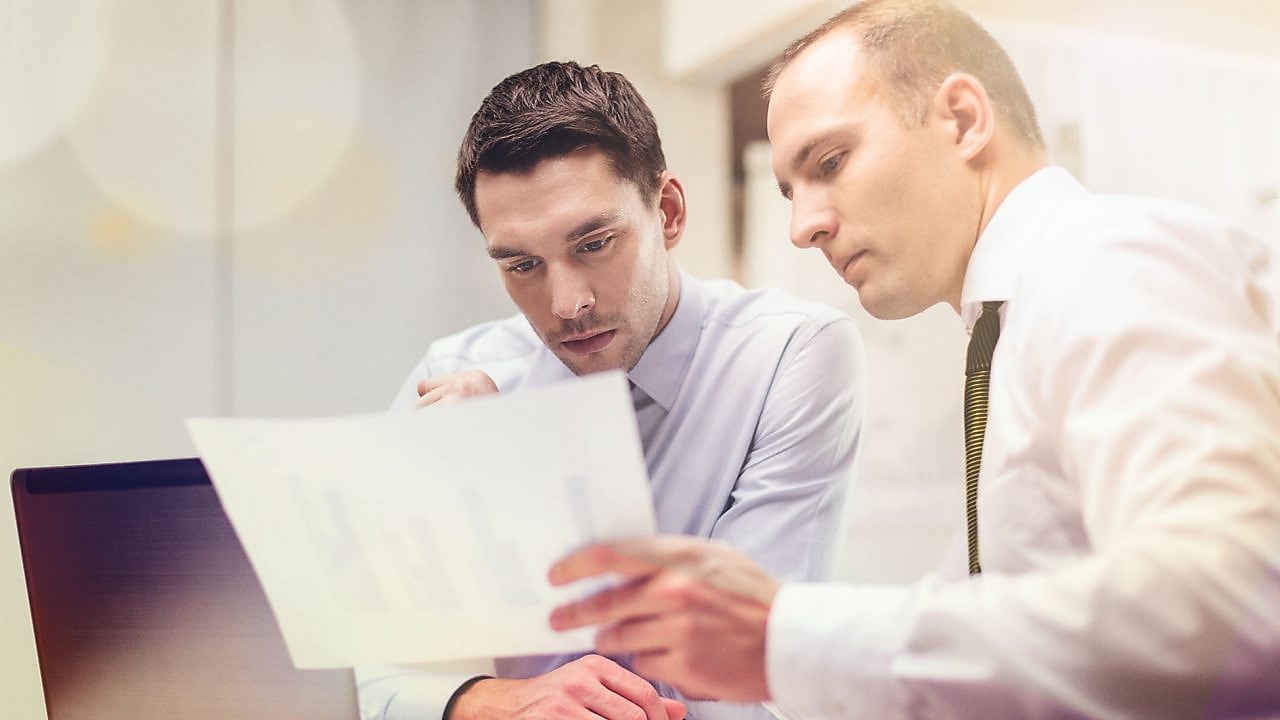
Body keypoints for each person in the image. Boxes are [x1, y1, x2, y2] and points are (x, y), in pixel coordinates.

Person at [548, 2, 1280, 718]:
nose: (804, 226)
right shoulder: (1006, 325)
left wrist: (783, 635)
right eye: (790, 190)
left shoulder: (1112, 259)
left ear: (962, 119)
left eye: (829, 162)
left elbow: (1231, 610)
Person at [356, 61, 867, 720]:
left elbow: (750, 682)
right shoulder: (452, 370)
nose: (567, 304)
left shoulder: (789, 356)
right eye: (522, 265)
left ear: (670, 212)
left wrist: (524, 474)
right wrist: (491, 704)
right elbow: (370, 673)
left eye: (594, 244)